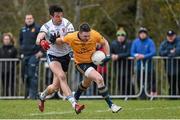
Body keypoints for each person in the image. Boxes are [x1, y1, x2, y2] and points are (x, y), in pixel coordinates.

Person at [55, 23, 122, 113]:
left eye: (88, 35)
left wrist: (108, 55)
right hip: (81, 63)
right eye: (85, 36)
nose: (87, 38)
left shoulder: (94, 34)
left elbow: (105, 42)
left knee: (86, 83)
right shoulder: (71, 37)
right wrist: (53, 40)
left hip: (92, 62)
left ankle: (76, 97)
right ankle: (112, 105)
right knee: (99, 79)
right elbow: (60, 40)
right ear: (80, 33)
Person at [36, 5, 85, 114]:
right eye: (57, 16)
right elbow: (39, 37)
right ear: (51, 16)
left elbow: (71, 39)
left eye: (61, 16)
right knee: (62, 76)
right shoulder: (47, 26)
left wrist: (58, 40)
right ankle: (75, 104)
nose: (60, 18)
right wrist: (41, 42)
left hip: (65, 56)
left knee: (55, 87)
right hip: (53, 55)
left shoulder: (67, 24)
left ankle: (42, 96)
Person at [19, 14, 43, 99]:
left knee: (32, 75)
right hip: (24, 55)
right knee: (24, 75)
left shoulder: (37, 28)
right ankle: (27, 95)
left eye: (30, 18)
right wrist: (20, 53)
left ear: (33, 19)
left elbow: (42, 40)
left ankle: (33, 95)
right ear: (25, 20)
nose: (29, 20)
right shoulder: (22, 30)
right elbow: (20, 42)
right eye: (27, 18)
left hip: (34, 55)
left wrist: (41, 51)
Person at [131, 27, 157, 99]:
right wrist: (136, 55)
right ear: (139, 34)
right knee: (140, 82)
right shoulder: (135, 42)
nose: (142, 34)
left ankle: (151, 97)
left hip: (149, 66)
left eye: (144, 33)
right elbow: (132, 52)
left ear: (146, 34)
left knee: (151, 82)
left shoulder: (150, 41)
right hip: (139, 66)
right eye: (141, 33)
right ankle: (142, 97)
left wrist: (144, 56)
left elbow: (153, 52)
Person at [110, 28, 134, 95]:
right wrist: (112, 56)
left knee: (128, 82)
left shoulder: (129, 43)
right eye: (119, 35)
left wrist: (118, 56)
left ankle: (132, 96)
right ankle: (123, 96)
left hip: (128, 67)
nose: (120, 37)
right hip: (118, 67)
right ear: (117, 36)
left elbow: (129, 53)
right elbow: (110, 53)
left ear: (125, 36)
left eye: (122, 36)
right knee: (120, 82)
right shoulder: (113, 44)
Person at [159, 30, 180, 95]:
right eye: (169, 36)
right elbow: (160, 52)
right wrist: (169, 51)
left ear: (175, 36)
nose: (170, 37)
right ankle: (172, 98)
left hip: (178, 68)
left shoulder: (178, 41)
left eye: (172, 36)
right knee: (171, 85)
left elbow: (178, 51)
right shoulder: (164, 43)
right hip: (169, 69)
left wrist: (171, 54)